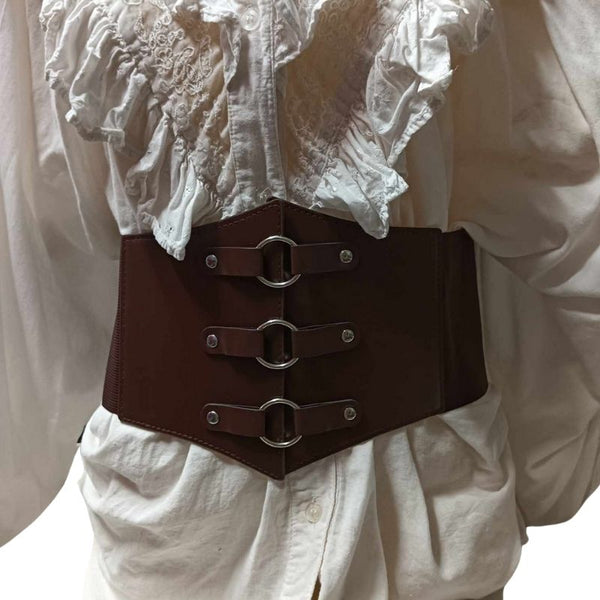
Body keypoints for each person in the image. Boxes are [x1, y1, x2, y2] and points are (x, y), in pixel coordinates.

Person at [1, 0, 599, 598]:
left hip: (416, 516)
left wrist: (545, 462)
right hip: (171, 537)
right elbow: (30, 234)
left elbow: (568, 191)